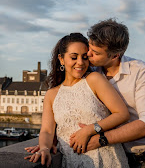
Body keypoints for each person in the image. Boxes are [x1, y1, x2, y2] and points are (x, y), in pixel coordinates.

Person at [76, 19, 145, 167]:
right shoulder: (92, 72)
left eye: (96, 52)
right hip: (122, 159)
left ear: (115, 55)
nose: (88, 54)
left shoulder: (142, 71)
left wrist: (101, 139)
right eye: (89, 48)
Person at [24, 33, 130, 167]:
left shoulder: (94, 79)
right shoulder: (51, 94)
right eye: (74, 57)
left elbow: (122, 114)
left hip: (105, 159)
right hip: (72, 162)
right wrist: (44, 147)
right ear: (61, 59)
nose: (80, 62)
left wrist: (90, 130)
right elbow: (47, 130)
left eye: (85, 57)